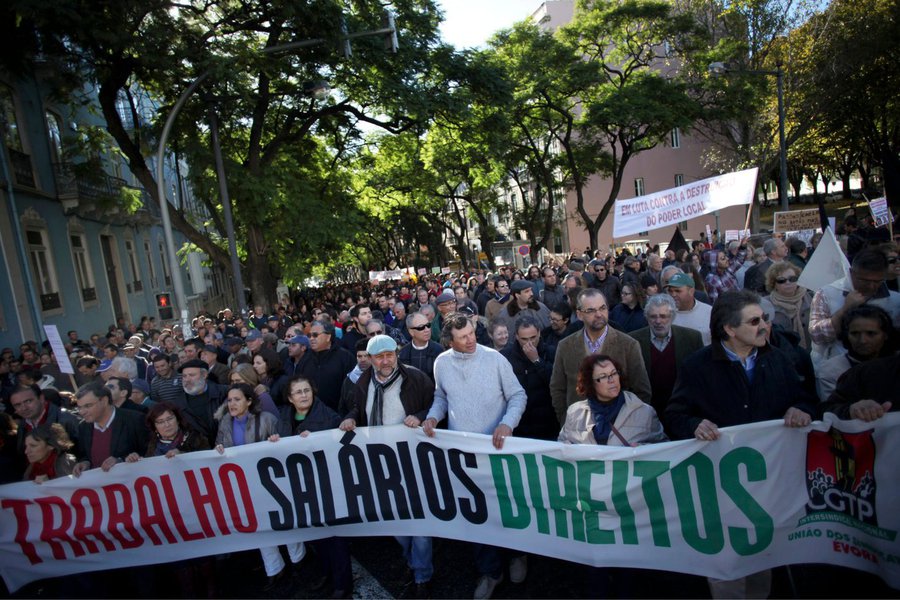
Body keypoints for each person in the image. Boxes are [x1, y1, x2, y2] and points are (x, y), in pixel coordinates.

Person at [665, 290, 816, 598]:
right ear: (729, 329)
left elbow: (807, 399)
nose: (764, 326)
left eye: (765, 319)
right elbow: (674, 415)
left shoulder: (780, 358)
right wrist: (694, 425)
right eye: (754, 321)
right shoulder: (697, 366)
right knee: (727, 569)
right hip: (720, 488)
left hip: (769, 485)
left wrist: (802, 409)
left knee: (763, 560)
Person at [422, 314, 527, 599]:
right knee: (477, 514)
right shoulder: (441, 362)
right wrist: (433, 417)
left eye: (472, 333)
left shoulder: (494, 359)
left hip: (498, 449)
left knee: (507, 506)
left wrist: (508, 423)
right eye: (463, 337)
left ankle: (518, 554)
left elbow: (518, 395)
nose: (471, 340)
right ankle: (491, 571)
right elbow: (441, 397)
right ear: (449, 341)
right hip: (465, 454)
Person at [340, 335, 435, 598]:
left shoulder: (415, 379)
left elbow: (436, 405)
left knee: (419, 523)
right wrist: (350, 418)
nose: (385, 361)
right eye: (379, 357)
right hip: (380, 465)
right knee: (395, 523)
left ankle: (422, 575)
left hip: (414, 462)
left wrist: (423, 416)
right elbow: (357, 409)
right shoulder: (362, 383)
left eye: (390, 355)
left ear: (396, 354)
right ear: (370, 360)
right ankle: (412, 561)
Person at [214, 383, 303, 591]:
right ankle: (274, 568)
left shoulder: (268, 420)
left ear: (249, 401)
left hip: (271, 481)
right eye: (229, 400)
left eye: (237, 399)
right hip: (244, 484)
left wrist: (276, 441)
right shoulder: (225, 422)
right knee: (259, 526)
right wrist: (218, 449)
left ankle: (298, 560)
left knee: (285, 521)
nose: (232, 404)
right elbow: (221, 445)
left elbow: (284, 447)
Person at [268, 375, 345, 597]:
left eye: (307, 390)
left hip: (326, 483)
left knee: (335, 537)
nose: (304, 395)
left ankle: (342, 584)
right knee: (317, 534)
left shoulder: (328, 416)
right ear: (290, 398)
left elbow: (338, 445)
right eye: (298, 392)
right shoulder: (283, 416)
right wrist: (275, 441)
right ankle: (326, 574)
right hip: (300, 486)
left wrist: (317, 441)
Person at [550, 288, 651, 425]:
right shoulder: (565, 346)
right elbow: (557, 388)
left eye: (602, 308)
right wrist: (565, 421)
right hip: (579, 429)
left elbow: (642, 391)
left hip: (620, 428)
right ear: (579, 314)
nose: (599, 314)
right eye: (591, 310)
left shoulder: (628, 345)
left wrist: (631, 426)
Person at [809, 248, 900, 366]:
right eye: (865, 280)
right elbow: (817, 336)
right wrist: (844, 310)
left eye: (877, 281)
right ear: (851, 272)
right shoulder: (826, 293)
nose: (871, 286)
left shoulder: (895, 299)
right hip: (837, 368)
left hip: (882, 367)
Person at [558, 354, 666, 446]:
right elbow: (561, 445)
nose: (612, 380)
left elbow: (665, 450)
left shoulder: (644, 412)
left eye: (614, 373)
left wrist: (643, 449)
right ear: (590, 382)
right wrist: (565, 448)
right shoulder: (574, 413)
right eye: (603, 376)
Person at [628, 294, 704, 419]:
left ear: (672, 317)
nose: (658, 321)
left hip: (683, 410)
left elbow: (700, 378)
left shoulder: (692, 338)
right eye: (653, 316)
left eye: (663, 316)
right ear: (647, 317)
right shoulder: (633, 341)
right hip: (647, 412)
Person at [815, 305, 897, 401]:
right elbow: (831, 409)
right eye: (855, 334)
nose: (863, 341)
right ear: (846, 335)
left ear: (885, 335)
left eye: (871, 333)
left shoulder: (895, 365)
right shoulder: (831, 370)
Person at [72, 381, 150, 477]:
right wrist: (85, 463)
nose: (82, 412)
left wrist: (121, 460)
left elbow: (150, 453)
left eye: (88, 406)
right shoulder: (83, 427)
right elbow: (84, 455)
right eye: (79, 407)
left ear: (104, 401)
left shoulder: (135, 420)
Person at [500, 316, 558, 441]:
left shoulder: (552, 352)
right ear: (516, 336)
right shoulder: (505, 356)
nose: (529, 343)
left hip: (547, 425)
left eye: (533, 338)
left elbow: (556, 384)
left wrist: (537, 361)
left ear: (539, 333)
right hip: (519, 425)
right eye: (524, 339)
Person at [306, 319, 356, 413]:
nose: (311, 338)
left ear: (328, 337)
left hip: (339, 417)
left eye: (315, 335)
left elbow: (352, 390)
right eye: (309, 335)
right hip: (311, 416)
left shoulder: (345, 357)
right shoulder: (305, 358)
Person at [759, 262, 812, 350]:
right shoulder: (764, 304)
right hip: (782, 354)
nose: (788, 282)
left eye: (792, 278)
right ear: (773, 283)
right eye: (781, 280)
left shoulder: (811, 297)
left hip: (813, 354)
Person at [666, 272, 712, 345]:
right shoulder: (663, 314)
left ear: (691, 291)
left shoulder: (709, 311)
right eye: (670, 291)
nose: (673, 295)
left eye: (677, 291)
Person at [398, 312, 444, 381]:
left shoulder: (439, 350)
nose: (427, 330)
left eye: (428, 325)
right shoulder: (403, 353)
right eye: (421, 327)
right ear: (411, 332)